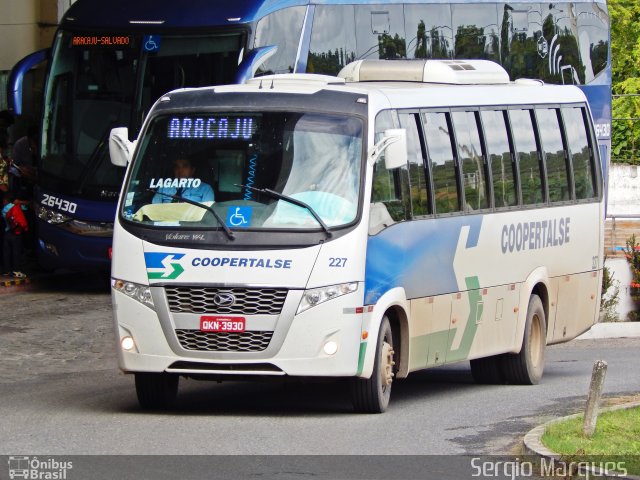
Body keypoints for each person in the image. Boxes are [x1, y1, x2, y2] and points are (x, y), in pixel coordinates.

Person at [1, 191, 27, 278]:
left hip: (7, 232)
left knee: (6, 252)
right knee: (16, 252)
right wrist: (20, 202)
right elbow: (26, 208)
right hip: (16, 232)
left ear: (5, 200)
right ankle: (16, 271)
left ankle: (6, 270)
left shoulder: (3, 210)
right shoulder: (16, 206)